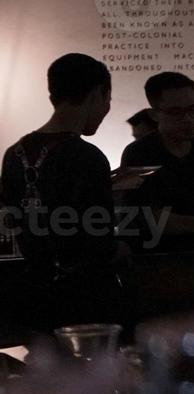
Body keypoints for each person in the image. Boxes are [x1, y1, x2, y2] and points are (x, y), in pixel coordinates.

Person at [0, 54, 141, 333]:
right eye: (107, 99)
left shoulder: (13, 154)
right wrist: (121, 249)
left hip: (32, 293)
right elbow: (98, 241)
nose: (106, 109)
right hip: (85, 299)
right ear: (97, 93)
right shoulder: (87, 156)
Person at [120, 72, 194, 253]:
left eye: (193, 109)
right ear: (155, 115)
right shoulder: (137, 153)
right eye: (176, 112)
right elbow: (135, 214)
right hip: (155, 257)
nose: (188, 119)